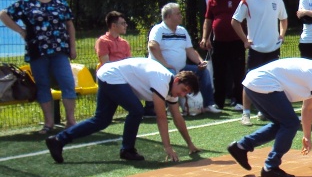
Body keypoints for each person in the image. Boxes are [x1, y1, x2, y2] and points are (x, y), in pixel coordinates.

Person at [226, 54, 312, 177]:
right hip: (262, 83)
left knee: (282, 124)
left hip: (254, 83)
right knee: (290, 123)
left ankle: (241, 147)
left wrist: (307, 136)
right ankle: (270, 166)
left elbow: (307, 108)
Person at [44, 59, 199, 164]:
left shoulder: (172, 89)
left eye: (186, 93)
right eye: (183, 90)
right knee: (137, 110)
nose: (183, 95)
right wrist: (168, 148)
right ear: (177, 80)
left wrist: (190, 144)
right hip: (112, 76)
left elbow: (177, 118)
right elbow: (161, 117)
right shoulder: (162, 81)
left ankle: (58, 140)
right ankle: (127, 150)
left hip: (109, 75)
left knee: (101, 120)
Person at [0, 0, 77, 133]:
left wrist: (72, 46)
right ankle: (48, 123)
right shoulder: (25, 3)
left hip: (59, 50)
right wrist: (21, 31)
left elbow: (69, 24)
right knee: (43, 86)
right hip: (37, 51)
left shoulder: (60, 2)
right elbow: (4, 14)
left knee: (67, 83)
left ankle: (71, 121)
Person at [232, 0, 289, 125]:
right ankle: (246, 113)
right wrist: (245, 39)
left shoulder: (277, 0)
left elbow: (283, 19)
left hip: (273, 48)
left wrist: (282, 34)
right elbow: (235, 21)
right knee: (250, 80)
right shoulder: (248, 0)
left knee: (272, 81)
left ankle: (265, 111)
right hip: (256, 49)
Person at [147, 3, 219, 113]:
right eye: (178, 14)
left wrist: (200, 62)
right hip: (162, 68)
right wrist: (165, 64)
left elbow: (189, 50)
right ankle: (168, 107)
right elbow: (153, 46)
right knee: (169, 74)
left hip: (181, 69)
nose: (181, 16)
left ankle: (208, 104)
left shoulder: (182, 31)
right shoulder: (158, 29)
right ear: (168, 16)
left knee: (204, 72)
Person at [200, 0, 246, 111]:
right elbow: (208, 20)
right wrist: (205, 37)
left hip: (237, 41)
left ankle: (239, 100)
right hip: (219, 42)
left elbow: (248, 14)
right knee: (218, 73)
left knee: (238, 72)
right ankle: (218, 102)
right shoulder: (212, 1)